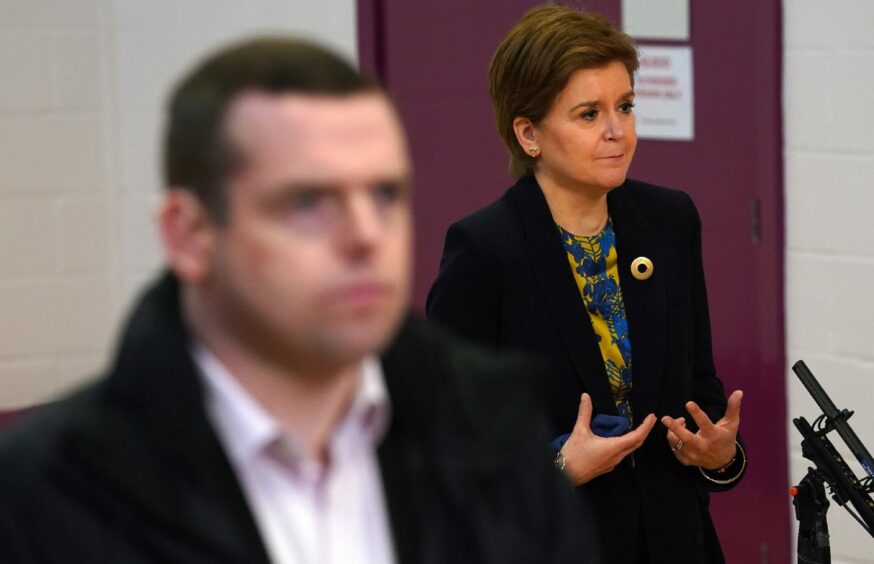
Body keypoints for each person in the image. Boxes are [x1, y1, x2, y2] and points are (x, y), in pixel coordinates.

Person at [0, 37, 600, 563]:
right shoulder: (50, 487)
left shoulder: (490, 429)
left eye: (385, 194)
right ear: (190, 234)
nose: (367, 236)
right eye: (308, 202)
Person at [426, 6, 747, 564]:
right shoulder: (485, 250)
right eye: (587, 114)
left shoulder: (670, 221)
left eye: (624, 106)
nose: (616, 131)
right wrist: (558, 469)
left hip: (677, 541)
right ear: (528, 134)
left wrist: (719, 453)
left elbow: (698, 383)